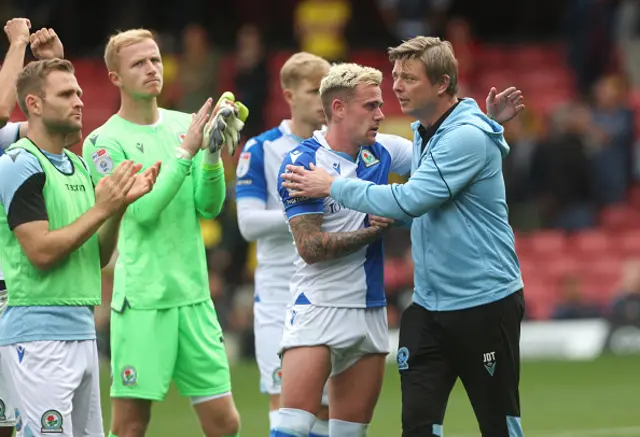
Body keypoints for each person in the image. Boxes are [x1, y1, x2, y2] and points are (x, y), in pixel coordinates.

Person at [280, 36, 526, 437]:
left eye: (408, 78)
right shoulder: (424, 133)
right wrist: (491, 122)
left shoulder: (465, 135)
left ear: (442, 84)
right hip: (429, 306)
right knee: (417, 425)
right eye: (395, 76)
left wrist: (332, 186)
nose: (395, 88)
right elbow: (425, 211)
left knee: (499, 426)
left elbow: (412, 199)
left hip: (484, 302)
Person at [82, 28, 246, 437]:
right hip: (142, 302)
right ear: (115, 77)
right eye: (138, 63)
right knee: (131, 425)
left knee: (225, 423)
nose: (152, 68)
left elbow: (207, 206)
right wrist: (186, 152)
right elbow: (143, 212)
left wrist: (209, 156)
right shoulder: (103, 143)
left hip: (193, 297)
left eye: (155, 59)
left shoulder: (182, 125)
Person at [0, 57, 158, 437]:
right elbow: (40, 252)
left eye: (80, 93)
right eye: (67, 94)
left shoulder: (78, 165)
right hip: (37, 333)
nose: (80, 101)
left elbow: (97, 256)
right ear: (34, 104)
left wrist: (116, 209)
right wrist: (101, 207)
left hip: (82, 331)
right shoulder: (18, 164)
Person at [272, 62, 411, 437]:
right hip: (319, 306)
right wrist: (371, 230)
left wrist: (486, 125)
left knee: (350, 434)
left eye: (380, 105)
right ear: (338, 108)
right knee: (292, 429)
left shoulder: (381, 151)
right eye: (370, 106)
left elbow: (442, 160)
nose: (381, 115)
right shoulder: (302, 163)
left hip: (371, 309)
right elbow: (310, 247)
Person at [235, 51, 333, 437]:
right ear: (289, 94)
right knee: (284, 402)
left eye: (328, 91)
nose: (323, 100)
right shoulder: (261, 148)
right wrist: (304, 212)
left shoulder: (340, 147)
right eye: (314, 91)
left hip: (330, 289)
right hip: (280, 296)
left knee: (326, 408)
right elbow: (247, 223)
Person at [0, 19, 81, 437]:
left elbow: (57, 135)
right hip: (17, 294)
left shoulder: (18, 145)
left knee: (11, 420)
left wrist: (53, 67)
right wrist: (17, 44)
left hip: (11, 290)